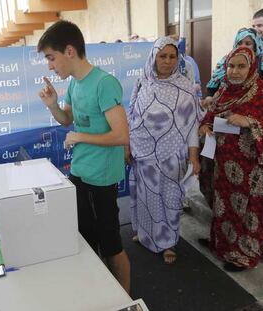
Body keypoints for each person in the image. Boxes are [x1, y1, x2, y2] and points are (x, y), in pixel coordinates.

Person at [37, 20, 131, 293]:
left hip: (100, 178)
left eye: (51, 58)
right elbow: (67, 120)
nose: (50, 66)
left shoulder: (104, 83)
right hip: (80, 172)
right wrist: (53, 104)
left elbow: (121, 135)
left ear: (69, 51)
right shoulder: (76, 85)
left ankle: (126, 299)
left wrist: (81, 137)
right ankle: (99, 293)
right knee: (86, 241)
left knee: (112, 245)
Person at [127, 36, 201, 264]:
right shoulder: (142, 82)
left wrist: (193, 156)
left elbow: (191, 125)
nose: (167, 61)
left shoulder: (186, 88)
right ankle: (146, 234)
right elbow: (132, 117)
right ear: (153, 57)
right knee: (145, 197)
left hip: (172, 155)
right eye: (162, 56)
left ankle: (167, 243)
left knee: (170, 198)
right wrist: (127, 146)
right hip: (143, 154)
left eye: (172, 57)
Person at [199, 46, 263, 272]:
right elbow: (208, 118)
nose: (235, 71)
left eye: (241, 66)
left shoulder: (260, 93)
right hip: (221, 163)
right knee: (222, 204)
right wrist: (205, 127)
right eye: (231, 66)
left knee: (245, 210)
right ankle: (221, 245)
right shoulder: (223, 91)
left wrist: (249, 122)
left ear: (252, 67)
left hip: (250, 169)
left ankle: (244, 255)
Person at [204, 28, 263, 107]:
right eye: (239, 43)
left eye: (248, 43)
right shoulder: (226, 60)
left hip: (253, 107)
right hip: (223, 106)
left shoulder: (260, 62)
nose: (243, 46)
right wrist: (209, 96)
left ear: (255, 46)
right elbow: (214, 83)